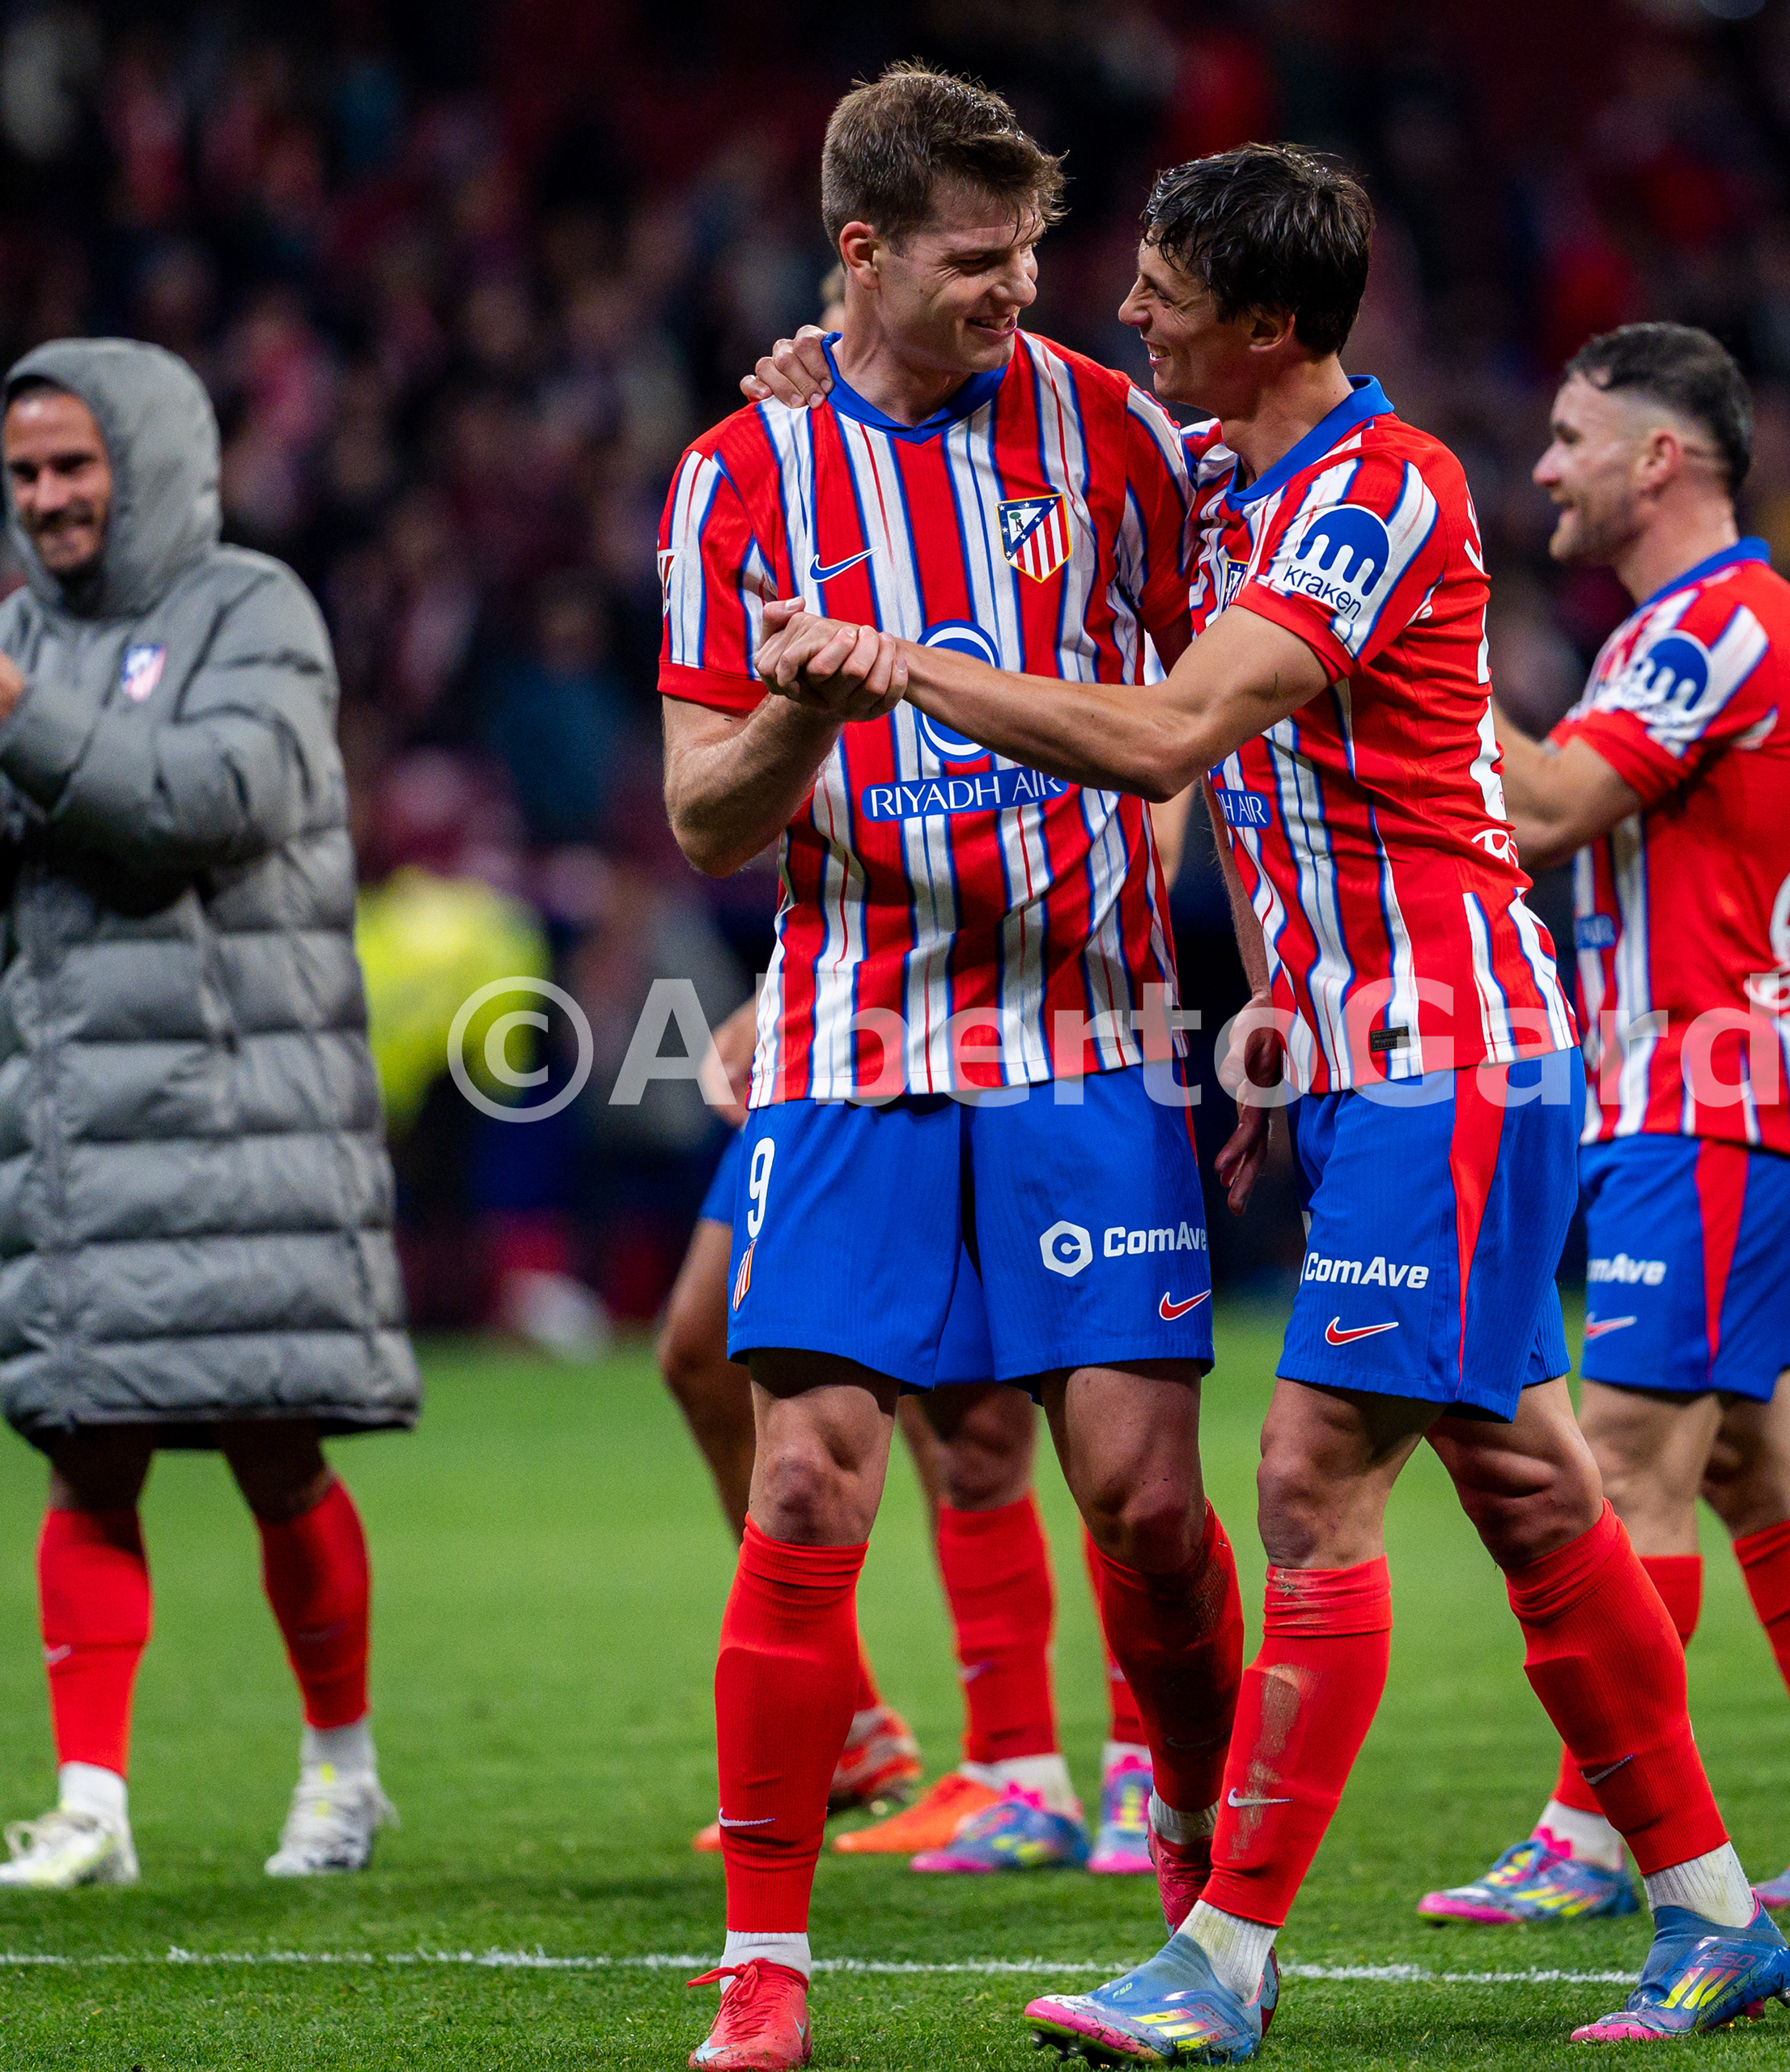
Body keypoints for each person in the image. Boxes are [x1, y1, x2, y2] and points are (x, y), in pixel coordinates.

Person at [759, 143, 1790, 2056]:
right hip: (1365, 1060)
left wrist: (909, 666)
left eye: (1162, 287)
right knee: (1528, 1484)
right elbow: (1038, 453)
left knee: (1312, 1477)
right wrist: (825, 381)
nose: (1128, 310)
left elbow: (1171, 733)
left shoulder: (1374, 489)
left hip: (1451, 1053)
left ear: (1267, 320)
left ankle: (1220, 1953)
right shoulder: (1230, 474)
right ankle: (1718, 1908)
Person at [656, 66, 1245, 2071]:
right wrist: (803, 722)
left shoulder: (1115, 433)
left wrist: (1165, 891)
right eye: (978, 258)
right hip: (854, 1032)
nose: (1019, 290)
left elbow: (1197, 707)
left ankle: (1197, 1889)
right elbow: (703, 815)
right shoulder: (739, 476)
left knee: (1143, 1499)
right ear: (863, 249)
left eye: (1030, 254)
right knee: (805, 1473)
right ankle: (762, 1968)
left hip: (1088, 1029)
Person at [1404, 324, 1790, 1930]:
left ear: (1661, 458)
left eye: (1572, 438)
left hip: (1705, 1095)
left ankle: (1590, 1835)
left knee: (1630, 1468)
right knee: (1760, 1474)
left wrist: (1401, 656)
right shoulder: (1687, 627)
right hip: (1703, 1089)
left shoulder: (1719, 620)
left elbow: (1552, 804)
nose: (1544, 468)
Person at [0, 339, 416, 1890]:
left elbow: (218, 799)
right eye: (27, 473)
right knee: (87, 1450)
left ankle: (341, 1777)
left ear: (153, 461)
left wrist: (24, 724)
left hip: (248, 1109)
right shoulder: (5, 639)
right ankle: (91, 1807)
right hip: (81, 1125)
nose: (49, 498)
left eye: (76, 466)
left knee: (273, 1444)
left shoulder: (257, 611)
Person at [651, 993, 1169, 1876]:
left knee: (1020, 1412)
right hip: (833, 1026)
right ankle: (870, 1730)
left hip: (988, 1024)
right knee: (702, 1348)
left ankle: (1075, 1764)